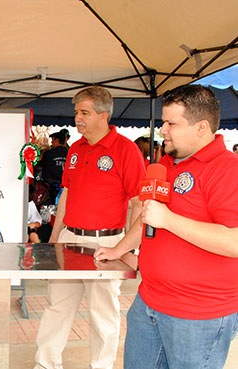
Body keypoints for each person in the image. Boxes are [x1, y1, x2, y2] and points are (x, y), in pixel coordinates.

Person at [95, 85, 238, 369]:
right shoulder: (166, 164)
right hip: (149, 301)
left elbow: (234, 241)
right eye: (164, 121)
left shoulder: (228, 170)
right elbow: (149, 214)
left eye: (172, 123)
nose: (163, 130)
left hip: (198, 315)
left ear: (202, 127)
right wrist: (118, 248)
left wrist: (169, 220)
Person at [34, 86, 145, 369]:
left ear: (103, 115)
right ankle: (46, 364)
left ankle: (101, 366)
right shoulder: (75, 148)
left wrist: (126, 248)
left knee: (102, 314)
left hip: (106, 244)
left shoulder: (126, 150)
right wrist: (55, 240)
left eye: (84, 113)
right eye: (76, 113)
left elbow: (138, 204)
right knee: (57, 306)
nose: (77, 119)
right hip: (69, 239)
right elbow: (66, 197)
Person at [39, 130, 68, 202]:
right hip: (65, 188)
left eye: (52, 140)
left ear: (57, 140)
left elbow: (40, 166)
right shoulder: (69, 153)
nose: (51, 142)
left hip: (49, 189)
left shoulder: (48, 153)